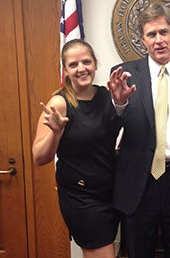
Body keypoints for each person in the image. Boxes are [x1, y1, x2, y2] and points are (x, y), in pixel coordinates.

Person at [107, 3, 170, 258]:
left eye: (163, 32)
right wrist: (118, 104)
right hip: (140, 181)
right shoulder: (125, 74)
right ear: (143, 39)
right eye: (151, 35)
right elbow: (110, 128)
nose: (159, 40)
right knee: (138, 251)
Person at [32, 39, 124, 258]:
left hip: (109, 193)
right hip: (81, 197)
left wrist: (121, 105)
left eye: (86, 61)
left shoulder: (105, 96)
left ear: (95, 64)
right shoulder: (60, 104)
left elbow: (110, 139)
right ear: (65, 70)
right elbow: (39, 157)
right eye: (73, 64)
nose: (81, 68)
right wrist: (55, 132)